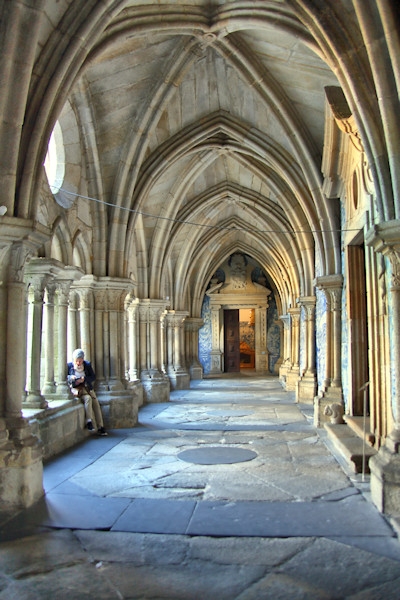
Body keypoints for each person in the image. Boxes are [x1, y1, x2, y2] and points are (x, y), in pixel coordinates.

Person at [67, 348, 107, 436]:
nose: (78, 363)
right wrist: (72, 378)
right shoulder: (69, 366)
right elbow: (65, 378)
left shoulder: (87, 365)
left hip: (87, 388)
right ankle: (89, 421)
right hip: (77, 390)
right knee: (88, 399)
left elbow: (93, 377)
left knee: (95, 403)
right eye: (77, 361)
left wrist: (84, 379)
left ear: (83, 359)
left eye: (80, 361)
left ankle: (101, 426)